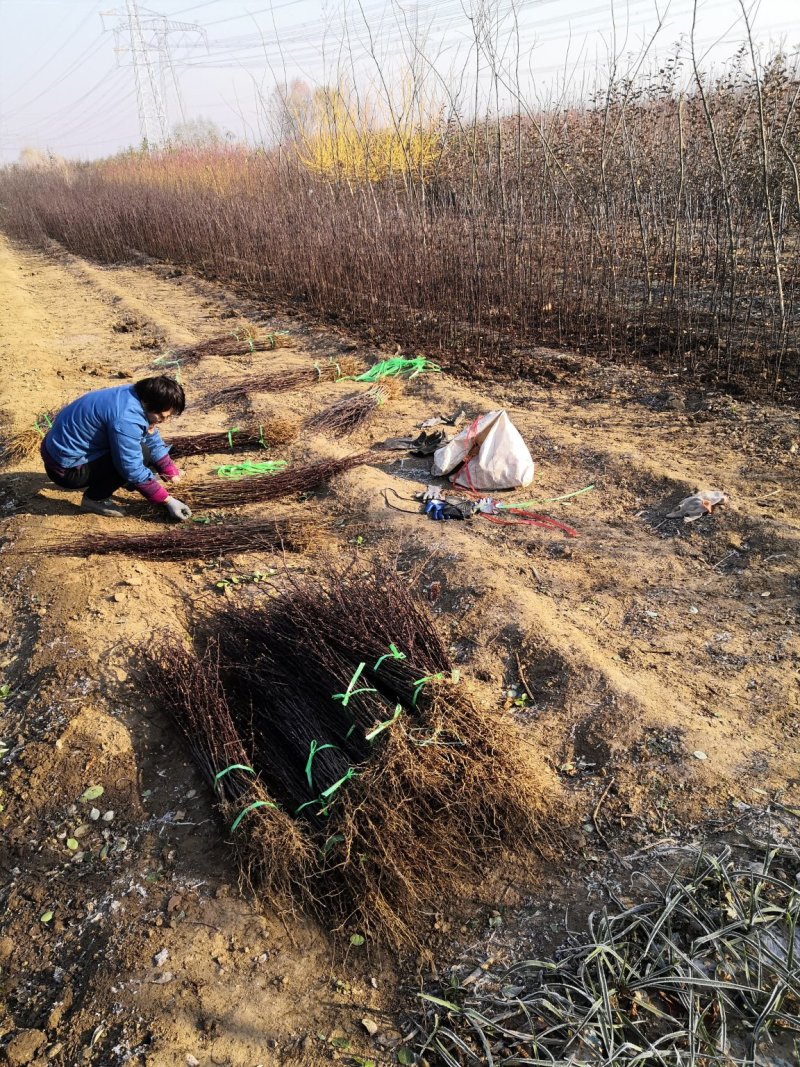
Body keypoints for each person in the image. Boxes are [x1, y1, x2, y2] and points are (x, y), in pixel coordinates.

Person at [40, 375, 192, 520]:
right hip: (66, 470)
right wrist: (167, 500)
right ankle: (94, 499)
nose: (164, 421)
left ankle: (121, 481)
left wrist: (169, 471)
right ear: (149, 403)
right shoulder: (126, 417)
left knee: (138, 449)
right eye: (162, 416)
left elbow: (150, 433)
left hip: (58, 452)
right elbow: (131, 467)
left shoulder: (135, 395)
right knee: (141, 454)